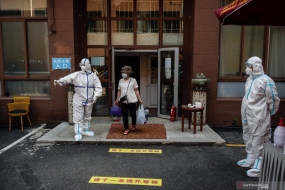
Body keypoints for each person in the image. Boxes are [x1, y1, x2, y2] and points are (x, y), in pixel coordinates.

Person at [238, 56, 280, 177]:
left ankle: (261, 163)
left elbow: (273, 99)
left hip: (259, 115)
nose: (247, 68)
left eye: (249, 66)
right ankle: (251, 157)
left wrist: (269, 112)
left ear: (256, 66)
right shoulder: (250, 79)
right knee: (247, 134)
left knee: (259, 138)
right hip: (247, 113)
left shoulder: (266, 80)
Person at [54, 58, 102, 141]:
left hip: (89, 99)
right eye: (81, 65)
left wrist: (96, 96)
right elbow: (67, 78)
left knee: (87, 115)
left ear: (88, 65)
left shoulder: (93, 76)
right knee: (78, 116)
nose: (82, 66)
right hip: (79, 98)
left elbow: (98, 87)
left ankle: (85, 130)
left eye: (84, 65)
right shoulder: (77, 74)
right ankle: (78, 132)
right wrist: (59, 81)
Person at [115, 66, 143, 135]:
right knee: (124, 115)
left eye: (124, 72)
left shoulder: (133, 80)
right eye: (122, 72)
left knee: (133, 114)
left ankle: (133, 124)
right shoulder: (120, 80)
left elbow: (136, 90)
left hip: (132, 100)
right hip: (123, 101)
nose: (123, 73)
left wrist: (140, 99)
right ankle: (126, 128)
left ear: (128, 73)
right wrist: (117, 99)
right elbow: (119, 91)